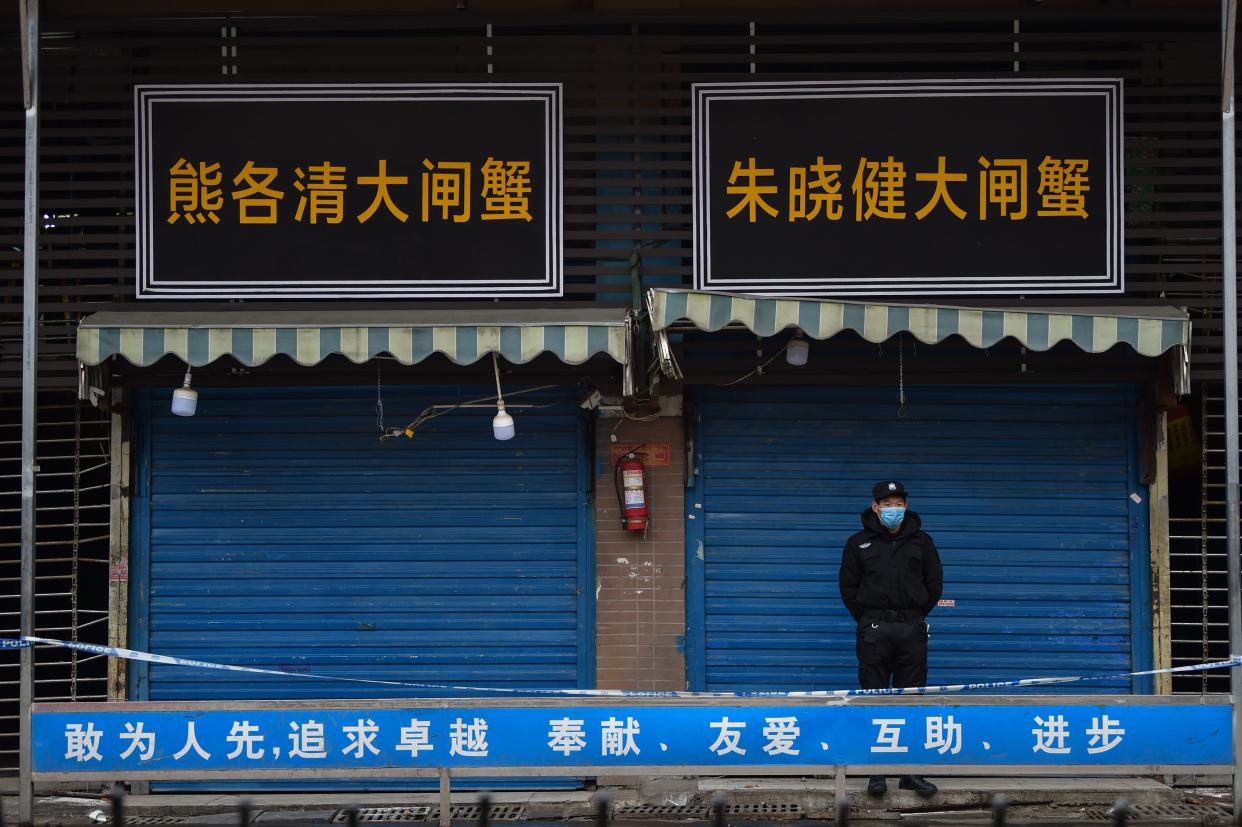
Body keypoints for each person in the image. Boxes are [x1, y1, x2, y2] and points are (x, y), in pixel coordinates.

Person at [838, 480, 943, 799]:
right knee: (874, 698)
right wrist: (870, 619)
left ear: (906, 506)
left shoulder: (922, 542)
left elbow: (934, 585)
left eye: (898, 503)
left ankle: (910, 772)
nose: (893, 509)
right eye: (887, 503)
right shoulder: (858, 543)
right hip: (874, 630)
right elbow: (848, 589)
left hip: (911, 628)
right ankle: (876, 773)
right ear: (875, 507)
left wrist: (912, 616)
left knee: (911, 701)